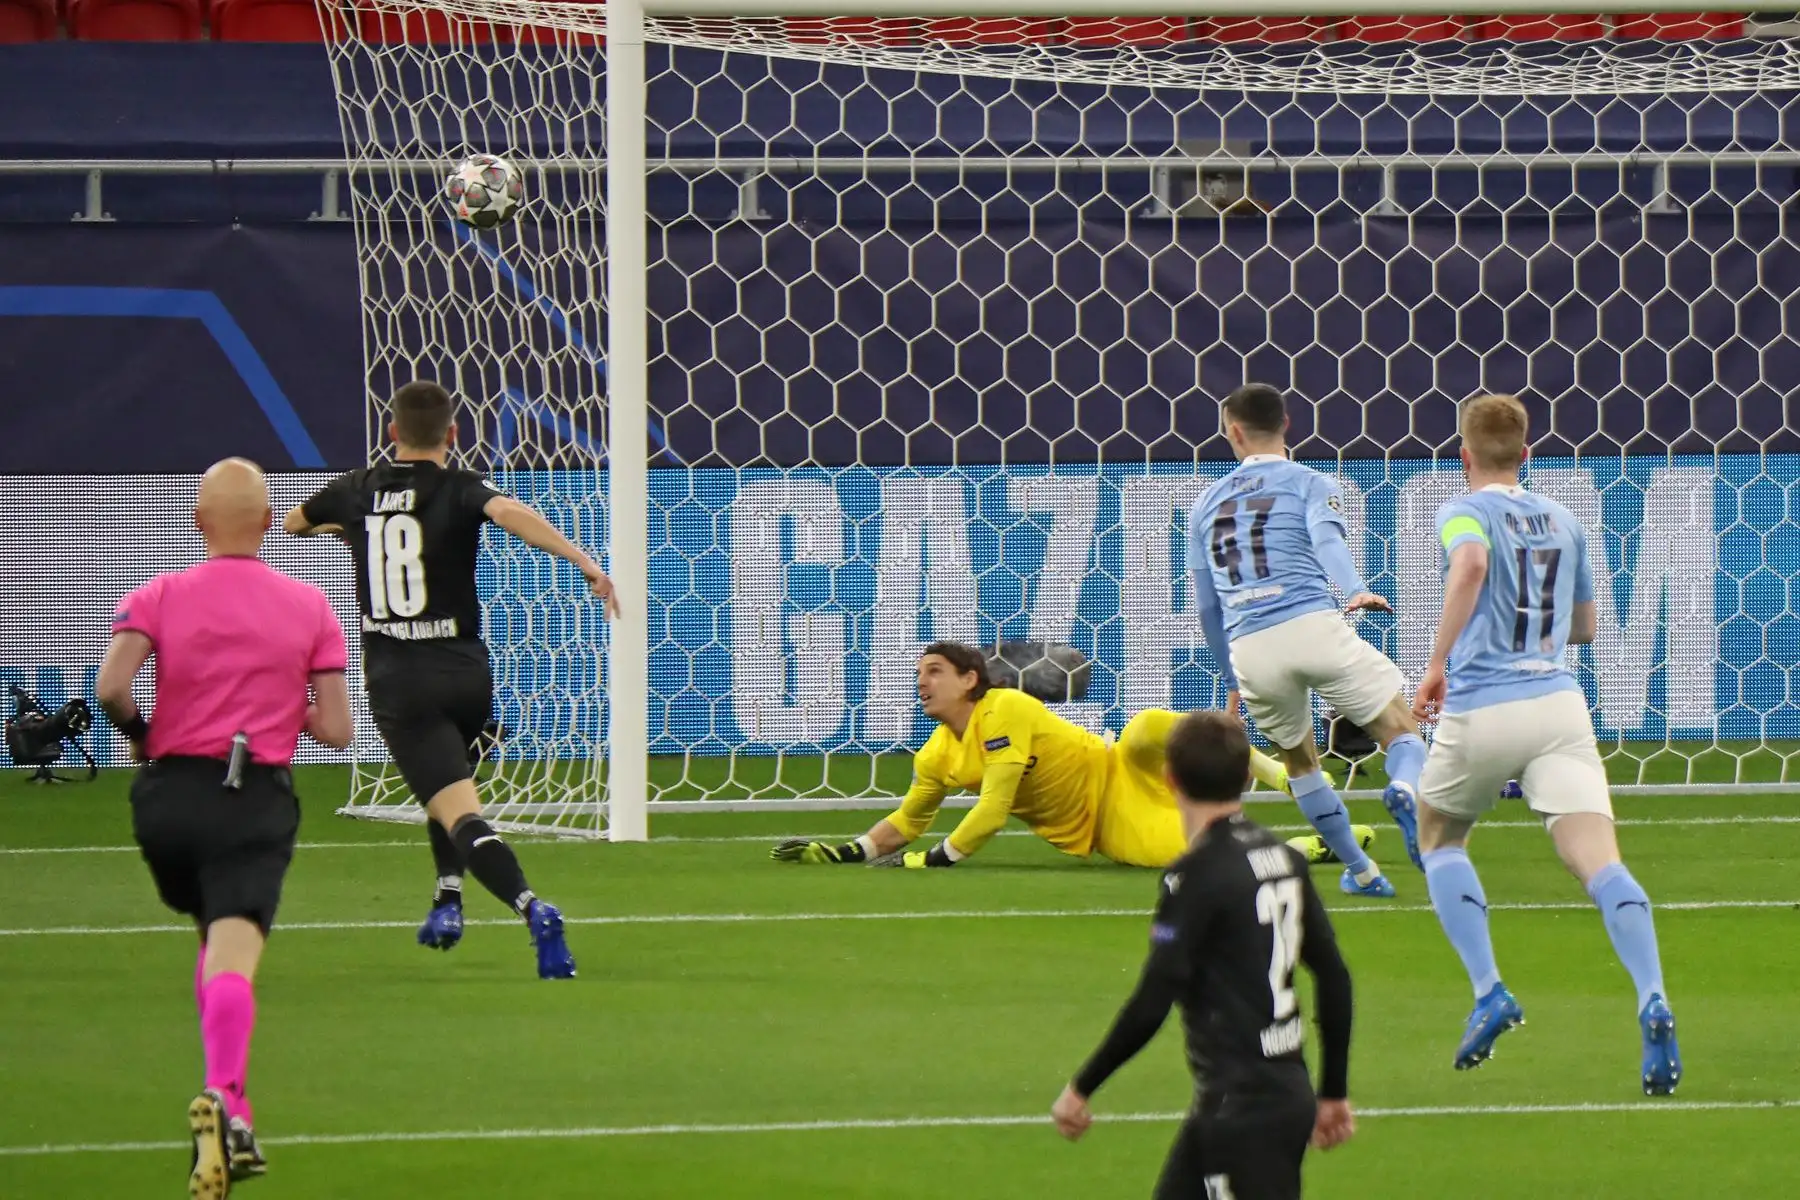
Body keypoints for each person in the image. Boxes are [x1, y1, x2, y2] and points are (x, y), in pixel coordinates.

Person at [283, 380, 617, 978]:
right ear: (453, 434)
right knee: (453, 785)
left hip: (400, 677)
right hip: (466, 671)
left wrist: (351, 531)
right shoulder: (462, 487)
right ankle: (447, 901)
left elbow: (292, 524)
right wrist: (586, 562)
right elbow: (510, 513)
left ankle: (531, 907)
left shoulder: (356, 490)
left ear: (392, 433)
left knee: (459, 811)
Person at [97, 458, 354, 1198]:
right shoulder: (309, 605)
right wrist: (284, 708)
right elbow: (336, 730)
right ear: (271, 523)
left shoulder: (160, 593)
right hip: (252, 798)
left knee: (211, 936)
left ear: (198, 521)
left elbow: (112, 685)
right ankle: (228, 1103)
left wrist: (143, 734)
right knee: (235, 947)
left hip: (167, 801)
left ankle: (228, 1110)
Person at [1410, 393, 1680, 1093]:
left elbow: (1468, 566)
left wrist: (1438, 661)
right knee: (1602, 865)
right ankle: (1652, 994)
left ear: (1463, 455)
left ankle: (1489, 988)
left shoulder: (1462, 509)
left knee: (1437, 836)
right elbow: (1586, 627)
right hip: (1559, 705)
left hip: (1483, 705)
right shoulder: (1565, 519)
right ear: (1526, 453)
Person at [1050, 710, 1355, 1200]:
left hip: (1242, 1111)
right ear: (1246, 777)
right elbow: (1334, 975)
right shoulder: (1284, 858)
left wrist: (1082, 1086)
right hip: (1274, 1094)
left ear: (1168, 778)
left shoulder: (1195, 876)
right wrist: (1334, 1090)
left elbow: (1154, 997)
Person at [769, 641, 1368, 870]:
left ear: (971, 680)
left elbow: (994, 810)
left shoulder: (1003, 709)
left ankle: (1276, 771)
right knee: (1188, 858)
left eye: (935, 672)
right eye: (919, 673)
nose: (921, 682)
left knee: (1145, 727)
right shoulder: (936, 757)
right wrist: (848, 851)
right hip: (1101, 824)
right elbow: (907, 820)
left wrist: (936, 862)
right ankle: (1313, 846)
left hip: (1116, 768)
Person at [1189, 382, 1435, 898]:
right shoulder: (1309, 481)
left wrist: (1232, 678)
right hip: (1311, 625)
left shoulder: (1205, 505)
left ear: (1232, 431)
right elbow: (1328, 539)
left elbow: (1210, 608)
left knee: (1300, 764)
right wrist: (1356, 590)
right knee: (1399, 728)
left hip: (1251, 646)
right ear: (1287, 424)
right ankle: (1404, 788)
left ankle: (1363, 871)